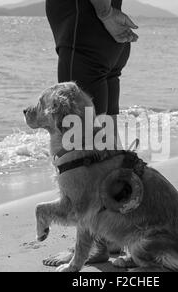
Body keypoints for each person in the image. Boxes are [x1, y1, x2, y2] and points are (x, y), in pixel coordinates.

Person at [43, 0, 138, 267]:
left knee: (84, 152)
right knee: (106, 144)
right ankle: (113, 234)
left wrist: (105, 13)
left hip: (83, 36)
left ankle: (94, 245)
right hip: (103, 43)